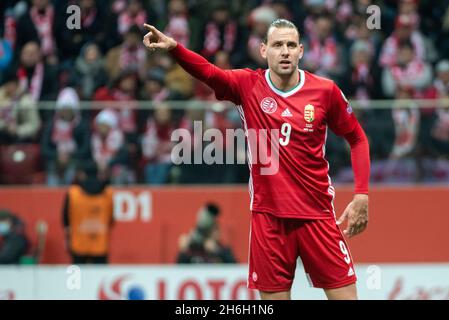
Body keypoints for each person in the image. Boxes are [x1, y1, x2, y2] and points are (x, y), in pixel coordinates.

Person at [143, 18, 370, 300]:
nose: (284, 51)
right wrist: (175, 48)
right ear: (264, 50)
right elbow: (210, 73)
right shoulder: (248, 85)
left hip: (318, 216)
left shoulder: (325, 91)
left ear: (301, 51)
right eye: (277, 45)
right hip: (269, 219)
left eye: (290, 45)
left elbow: (358, 139)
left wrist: (361, 195)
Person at [62, 161, 114, 264]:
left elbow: (65, 220)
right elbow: (111, 219)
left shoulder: (73, 194)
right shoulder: (108, 193)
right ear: (98, 173)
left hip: (78, 245)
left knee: (77, 279)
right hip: (100, 245)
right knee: (101, 279)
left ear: (82, 174)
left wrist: (68, 238)